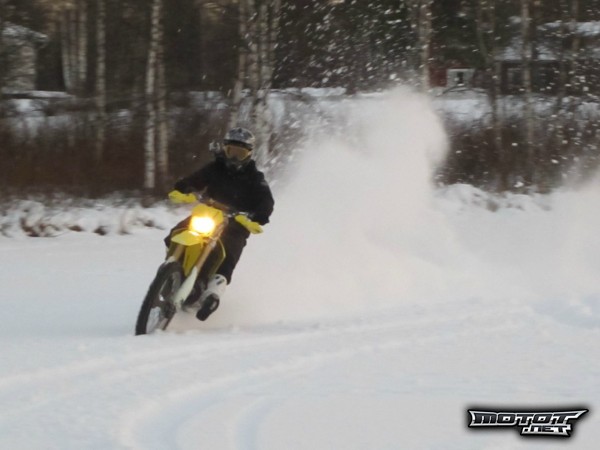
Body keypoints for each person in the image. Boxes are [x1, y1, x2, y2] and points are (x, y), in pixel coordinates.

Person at [166, 127, 274, 320]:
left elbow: (266, 201)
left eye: (240, 153)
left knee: (230, 251)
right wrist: (183, 189)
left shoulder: (255, 178)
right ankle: (170, 271)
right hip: (208, 214)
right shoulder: (215, 168)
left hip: (236, 222)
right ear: (224, 149)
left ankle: (213, 293)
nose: (235, 157)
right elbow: (194, 180)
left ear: (249, 154)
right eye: (231, 151)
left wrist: (257, 218)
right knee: (176, 232)